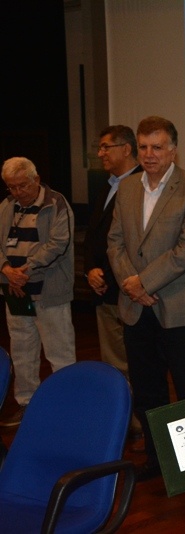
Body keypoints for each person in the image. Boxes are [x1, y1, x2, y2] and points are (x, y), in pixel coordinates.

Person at [107, 115, 185, 481]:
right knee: (148, 391)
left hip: (179, 310)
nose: (149, 154)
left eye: (157, 147)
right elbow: (115, 241)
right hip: (136, 309)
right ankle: (157, 461)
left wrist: (144, 283)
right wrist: (129, 284)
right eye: (143, 147)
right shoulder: (127, 188)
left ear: (173, 151)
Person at [0, 157, 76, 427]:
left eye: (22, 185)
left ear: (36, 178)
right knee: (22, 350)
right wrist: (7, 270)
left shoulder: (56, 203)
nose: (17, 192)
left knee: (60, 353)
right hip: (15, 291)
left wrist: (24, 271)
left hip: (49, 291)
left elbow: (58, 245)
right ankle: (26, 405)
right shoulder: (6, 206)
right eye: (11, 187)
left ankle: (67, 408)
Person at [83, 125, 143, 441]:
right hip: (104, 289)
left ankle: (133, 422)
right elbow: (97, 236)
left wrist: (112, 276)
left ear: (126, 148)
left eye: (107, 147)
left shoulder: (139, 185)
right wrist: (90, 269)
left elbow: (132, 243)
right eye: (101, 147)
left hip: (127, 291)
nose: (101, 153)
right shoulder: (109, 185)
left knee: (130, 362)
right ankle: (120, 420)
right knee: (113, 363)